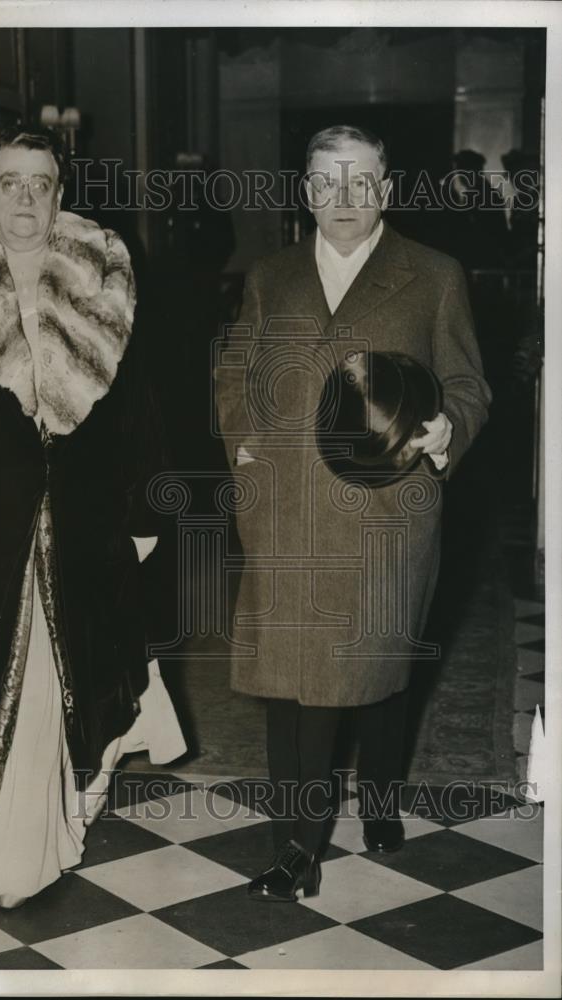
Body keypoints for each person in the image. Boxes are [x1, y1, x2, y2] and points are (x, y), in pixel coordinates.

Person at [0, 126, 185, 908]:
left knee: (96, 665)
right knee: (12, 679)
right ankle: (28, 838)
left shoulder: (105, 280)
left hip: (92, 519)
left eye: (38, 183)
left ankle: (77, 794)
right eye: (9, 182)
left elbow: (145, 405)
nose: (23, 198)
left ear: (58, 192)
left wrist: (148, 510)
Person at [214, 124, 491, 901]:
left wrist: (448, 429)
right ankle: (294, 850)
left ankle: (377, 795)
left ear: (387, 190)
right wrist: (243, 446)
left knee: (378, 678)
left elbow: (469, 384)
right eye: (327, 182)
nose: (344, 198)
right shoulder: (270, 276)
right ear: (304, 192)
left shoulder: (432, 275)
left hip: (385, 516)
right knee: (294, 687)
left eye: (361, 181)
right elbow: (235, 372)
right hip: (288, 515)